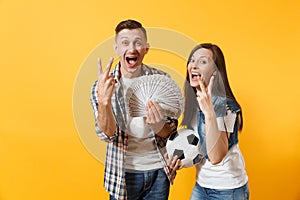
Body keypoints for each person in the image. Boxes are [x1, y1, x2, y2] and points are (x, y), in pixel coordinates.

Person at [90, 19, 180, 200]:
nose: (132, 49)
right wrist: (104, 102)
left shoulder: (162, 80)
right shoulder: (101, 87)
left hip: (159, 172)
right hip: (122, 175)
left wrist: (158, 126)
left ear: (146, 48)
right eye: (125, 43)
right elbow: (108, 135)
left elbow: (169, 133)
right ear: (116, 48)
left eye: (138, 43)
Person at [180, 43, 249, 199]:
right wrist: (181, 161)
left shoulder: (226, 106)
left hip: (228, 189)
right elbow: (200, 147)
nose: (194, 66)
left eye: (203, 62)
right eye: (192, 60)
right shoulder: (194, 103)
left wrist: (210, 113)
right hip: (201, 185)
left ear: (215, 73)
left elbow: (216, 156)